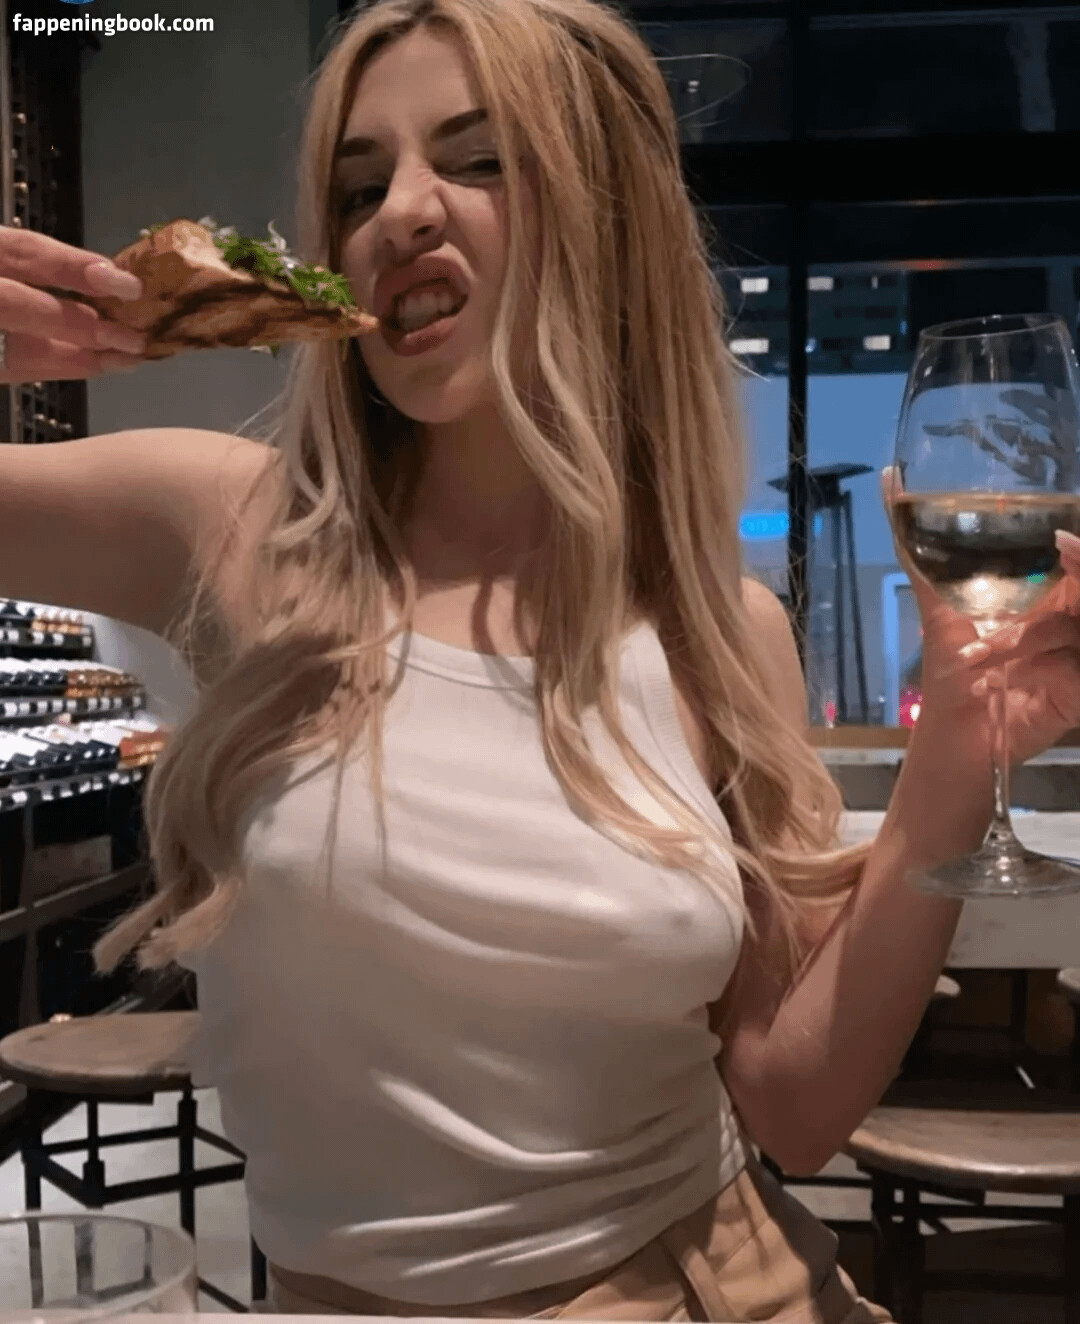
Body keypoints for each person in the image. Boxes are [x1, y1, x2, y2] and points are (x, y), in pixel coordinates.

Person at [3, 0, 1080, 1318]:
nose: (402, 211)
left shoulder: (716, 632)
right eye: (360, 186)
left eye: (477, 159)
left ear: (602, 220)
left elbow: (797, 1107)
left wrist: (962, 749)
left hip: (709, 1287)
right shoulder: (232, 534)